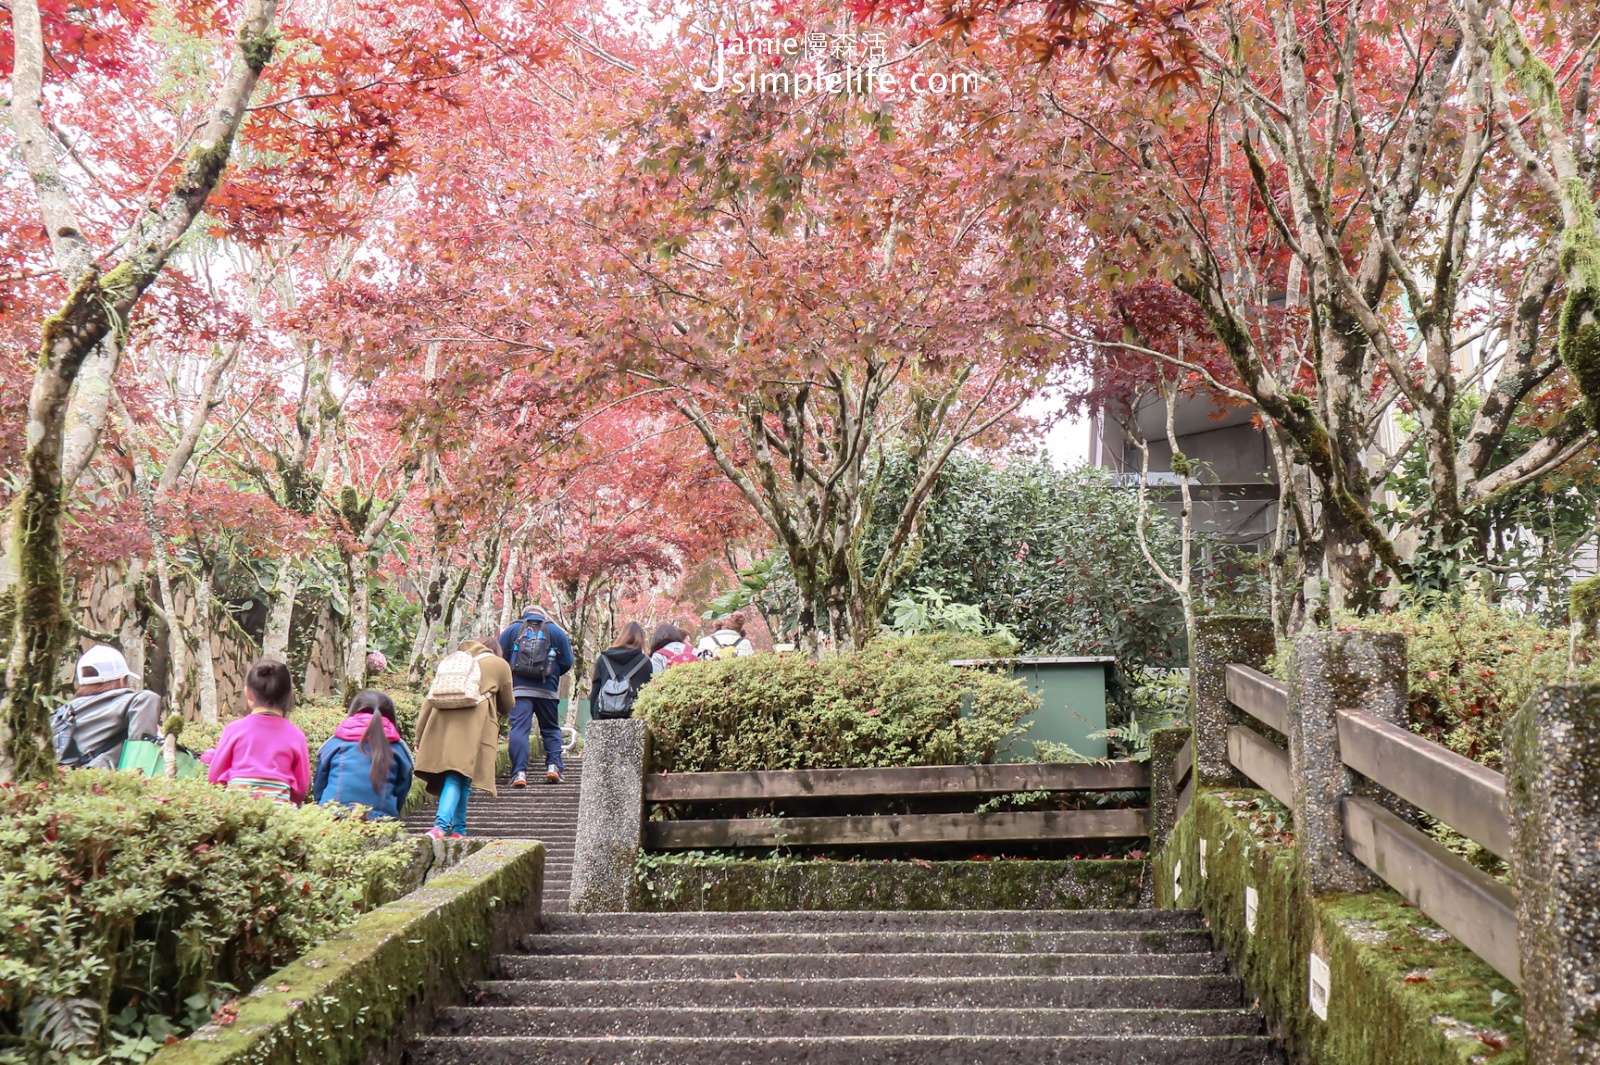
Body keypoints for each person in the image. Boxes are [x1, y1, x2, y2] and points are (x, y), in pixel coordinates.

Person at [414, 635, 513, 839]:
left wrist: (419, 735)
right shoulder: (499, 665)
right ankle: (440, 826)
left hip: (440, 725)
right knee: (456, 774)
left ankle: (459, 829)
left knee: (463, 777)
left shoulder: (454, 661)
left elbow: (429, 698)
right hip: (472, 728)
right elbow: (507, 705)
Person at [206, 660, 310, 805]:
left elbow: (214, 777)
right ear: (289, 695)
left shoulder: (234, 729)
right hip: (279, 816)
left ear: (248, 693)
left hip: (236, 811)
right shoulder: (297, 736)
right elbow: (301, 789)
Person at [496, 604, 574, 786]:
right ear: (544, 615)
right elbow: (567, 662)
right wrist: (551, 674)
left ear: (523, 615)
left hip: (519, 689)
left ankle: (520, 773)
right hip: (548, 689)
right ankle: (554, 766)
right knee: (551, 728)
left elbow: (499, 658)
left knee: (520, 729)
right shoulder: (556, 632)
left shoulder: (513, 630)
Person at [52, 645, 162, 769]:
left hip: (58, 781)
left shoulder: (63, 713)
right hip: (98, 782)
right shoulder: (137, 701)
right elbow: (141, 756)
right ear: (121, 679)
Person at [313, 689, 415, 819]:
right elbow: (401, 791)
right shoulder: (398, 749)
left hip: (332, 817)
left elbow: (319, 786)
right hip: (379, 820)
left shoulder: (334, 744)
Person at [589, 622, 655, 721]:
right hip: (633, 718)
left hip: (603, 716)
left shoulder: (603, 659)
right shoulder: (645, 663)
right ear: (641, 640)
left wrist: (595, 717)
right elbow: (648, 695)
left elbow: (595, 692)